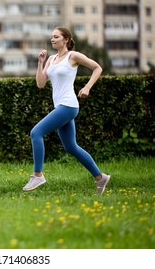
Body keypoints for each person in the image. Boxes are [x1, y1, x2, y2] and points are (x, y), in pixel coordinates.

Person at [22, 27, 110, 195]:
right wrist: (40, 63)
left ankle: (38, 175)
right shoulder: (51, 59)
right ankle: (100, 178)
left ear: (66, 39)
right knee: (71, 147)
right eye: (51, 37)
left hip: (68, 105)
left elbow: (97, 68)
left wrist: (87, 87)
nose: (52, 39)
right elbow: (40, 84)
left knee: (36, 132)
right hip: (60, 106)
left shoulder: (73, 56)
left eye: (56, 37)